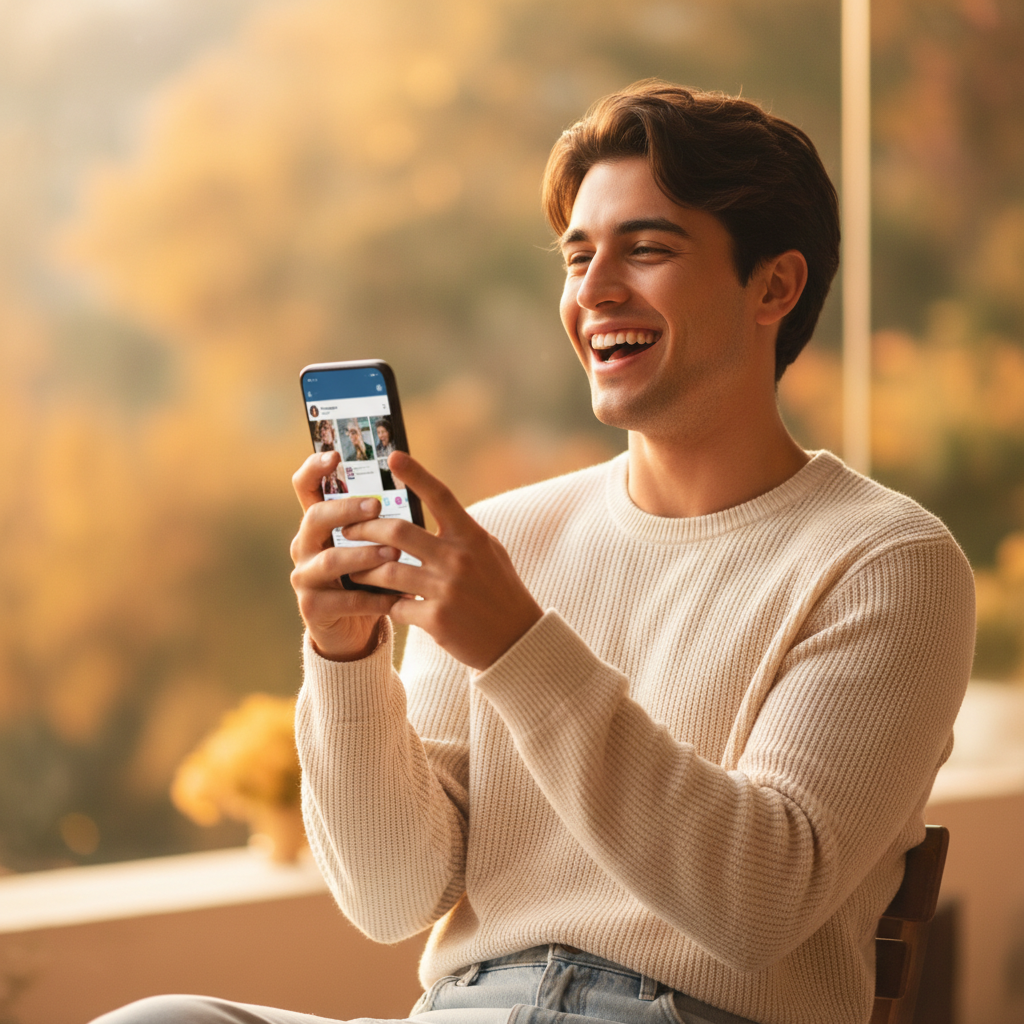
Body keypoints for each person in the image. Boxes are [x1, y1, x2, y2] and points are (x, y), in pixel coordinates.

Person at [93, 82, 974, 1024]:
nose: (594, 291)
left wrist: (518, 645)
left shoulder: (886, 562)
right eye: (579, 256)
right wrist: (346, 660)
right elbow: (392, 899)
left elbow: (753, 905)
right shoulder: (505, 541)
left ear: (775, 285)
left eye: (647, 249)